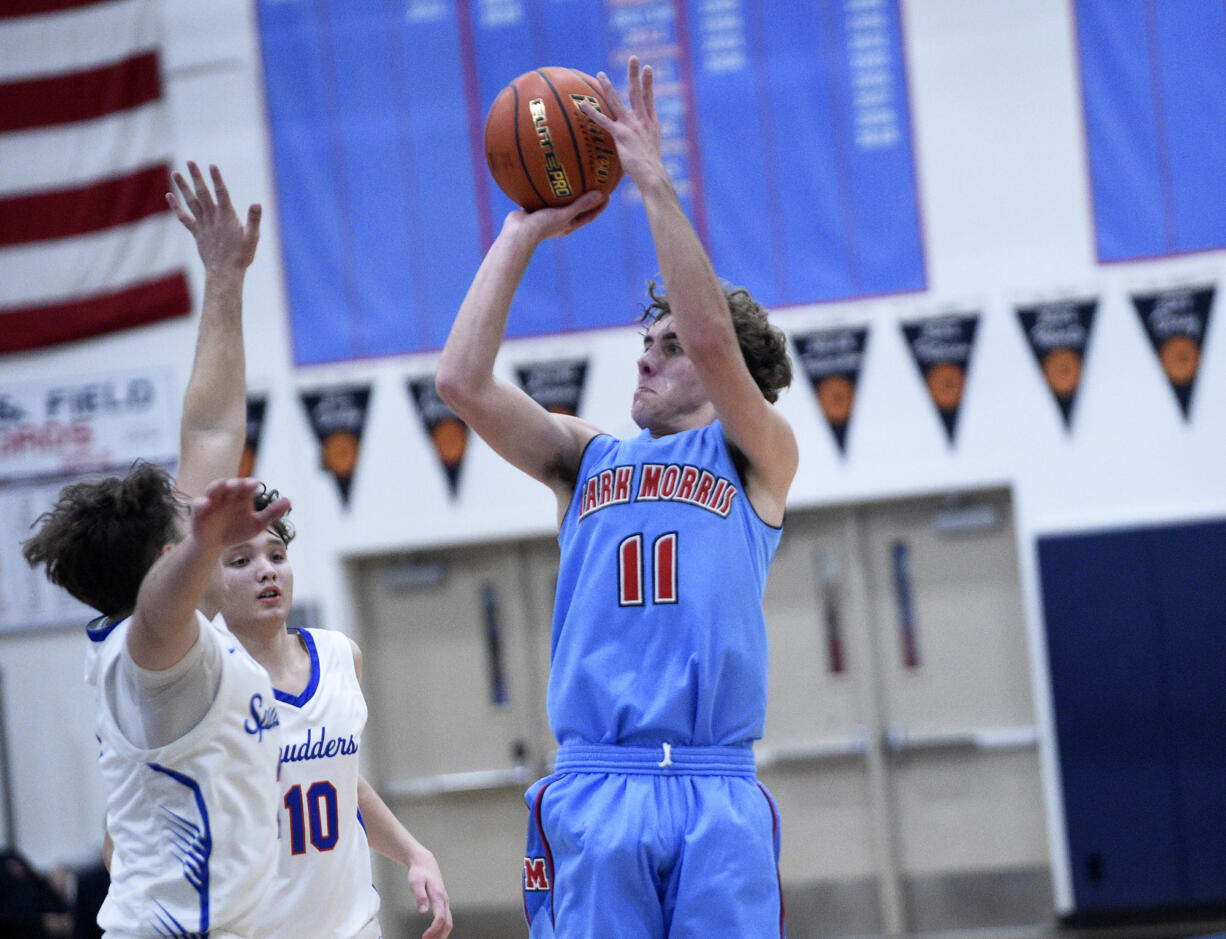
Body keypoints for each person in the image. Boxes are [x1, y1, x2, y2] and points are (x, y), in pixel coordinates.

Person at [435, 56, 798, 938]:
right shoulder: (585, 459)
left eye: (668, 345)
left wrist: (651, 182)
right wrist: (524, 231)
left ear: (724, 376)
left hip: (716, 784)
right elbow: (461, 381)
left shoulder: (758, 457)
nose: (645, 354)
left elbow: (716, 336)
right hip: (597, 783)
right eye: (647, 337)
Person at [21, 164, 285, 937]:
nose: (199, 498)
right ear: (168, 553)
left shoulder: (166, 630)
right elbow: (161, 607)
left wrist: (225, 278)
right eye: (189, 519)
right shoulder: (153, 654)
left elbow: (208, 431)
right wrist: (207, 541)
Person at [212, 484, 453, 939]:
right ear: (207, 580)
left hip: (354, 926)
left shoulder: (341, 655)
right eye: (242, 561)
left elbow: (339, 777)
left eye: (276, 556)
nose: (266, 571)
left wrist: (414, 852)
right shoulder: (206, 684)